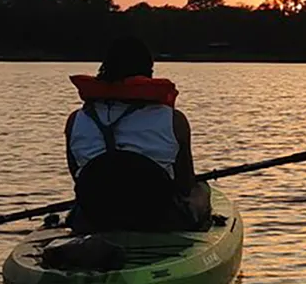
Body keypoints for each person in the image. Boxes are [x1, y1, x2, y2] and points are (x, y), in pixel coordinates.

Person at [63, 36, 211, 234]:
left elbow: (78, 178)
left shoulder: (76, 120)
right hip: (160, 219)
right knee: (202, 189)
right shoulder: (174, 121)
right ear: (148, 73)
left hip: (96, 218)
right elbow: (184, 185)